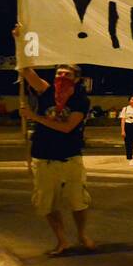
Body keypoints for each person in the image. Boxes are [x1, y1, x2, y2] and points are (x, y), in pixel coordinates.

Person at [14, 44, 95, 255]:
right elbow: (25, 70)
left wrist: (34, 117)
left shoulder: (80, 100)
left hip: (70, 156)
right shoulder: (46, 91)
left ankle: (81, 233)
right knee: (46, 203)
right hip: (43, 156)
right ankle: (62, 240)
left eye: (67, 74)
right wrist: (19, 41)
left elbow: (67, 127)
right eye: (59, 73)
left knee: (78, 201)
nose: (61, 76)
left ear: (76, 79)